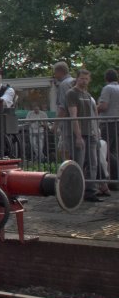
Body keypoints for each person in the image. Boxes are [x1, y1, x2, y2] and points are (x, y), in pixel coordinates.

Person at [67, 68, 104, 201]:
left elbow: (94, 114)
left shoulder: (88, 95)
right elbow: (73, 116)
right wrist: (78, 136)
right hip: (80, 133)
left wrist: (96, 130)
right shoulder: (72, 93)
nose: (84, 81)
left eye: (86, 79)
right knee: (79, 163)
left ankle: (90, 191)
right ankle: (76, 191)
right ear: (77, 78)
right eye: (82, 78)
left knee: (93, 163)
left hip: (91, 133)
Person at [96, 68, 118, 193]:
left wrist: (94, 109)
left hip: (108, 123)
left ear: (106, 78)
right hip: (117, 122)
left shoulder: (107, 88)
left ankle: (114, 178)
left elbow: (104, 106)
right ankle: (114, 181)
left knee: (105, 151)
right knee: (113, 150)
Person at [52, 61, 76, 159]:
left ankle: (68, 167)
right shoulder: (74, 82)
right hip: (78, 123)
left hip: (67, 124)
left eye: (55, 73)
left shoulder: (63, 85)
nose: (54, 75)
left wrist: (55, 124)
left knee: (65, 149)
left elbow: (63, 108)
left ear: (60, 72)